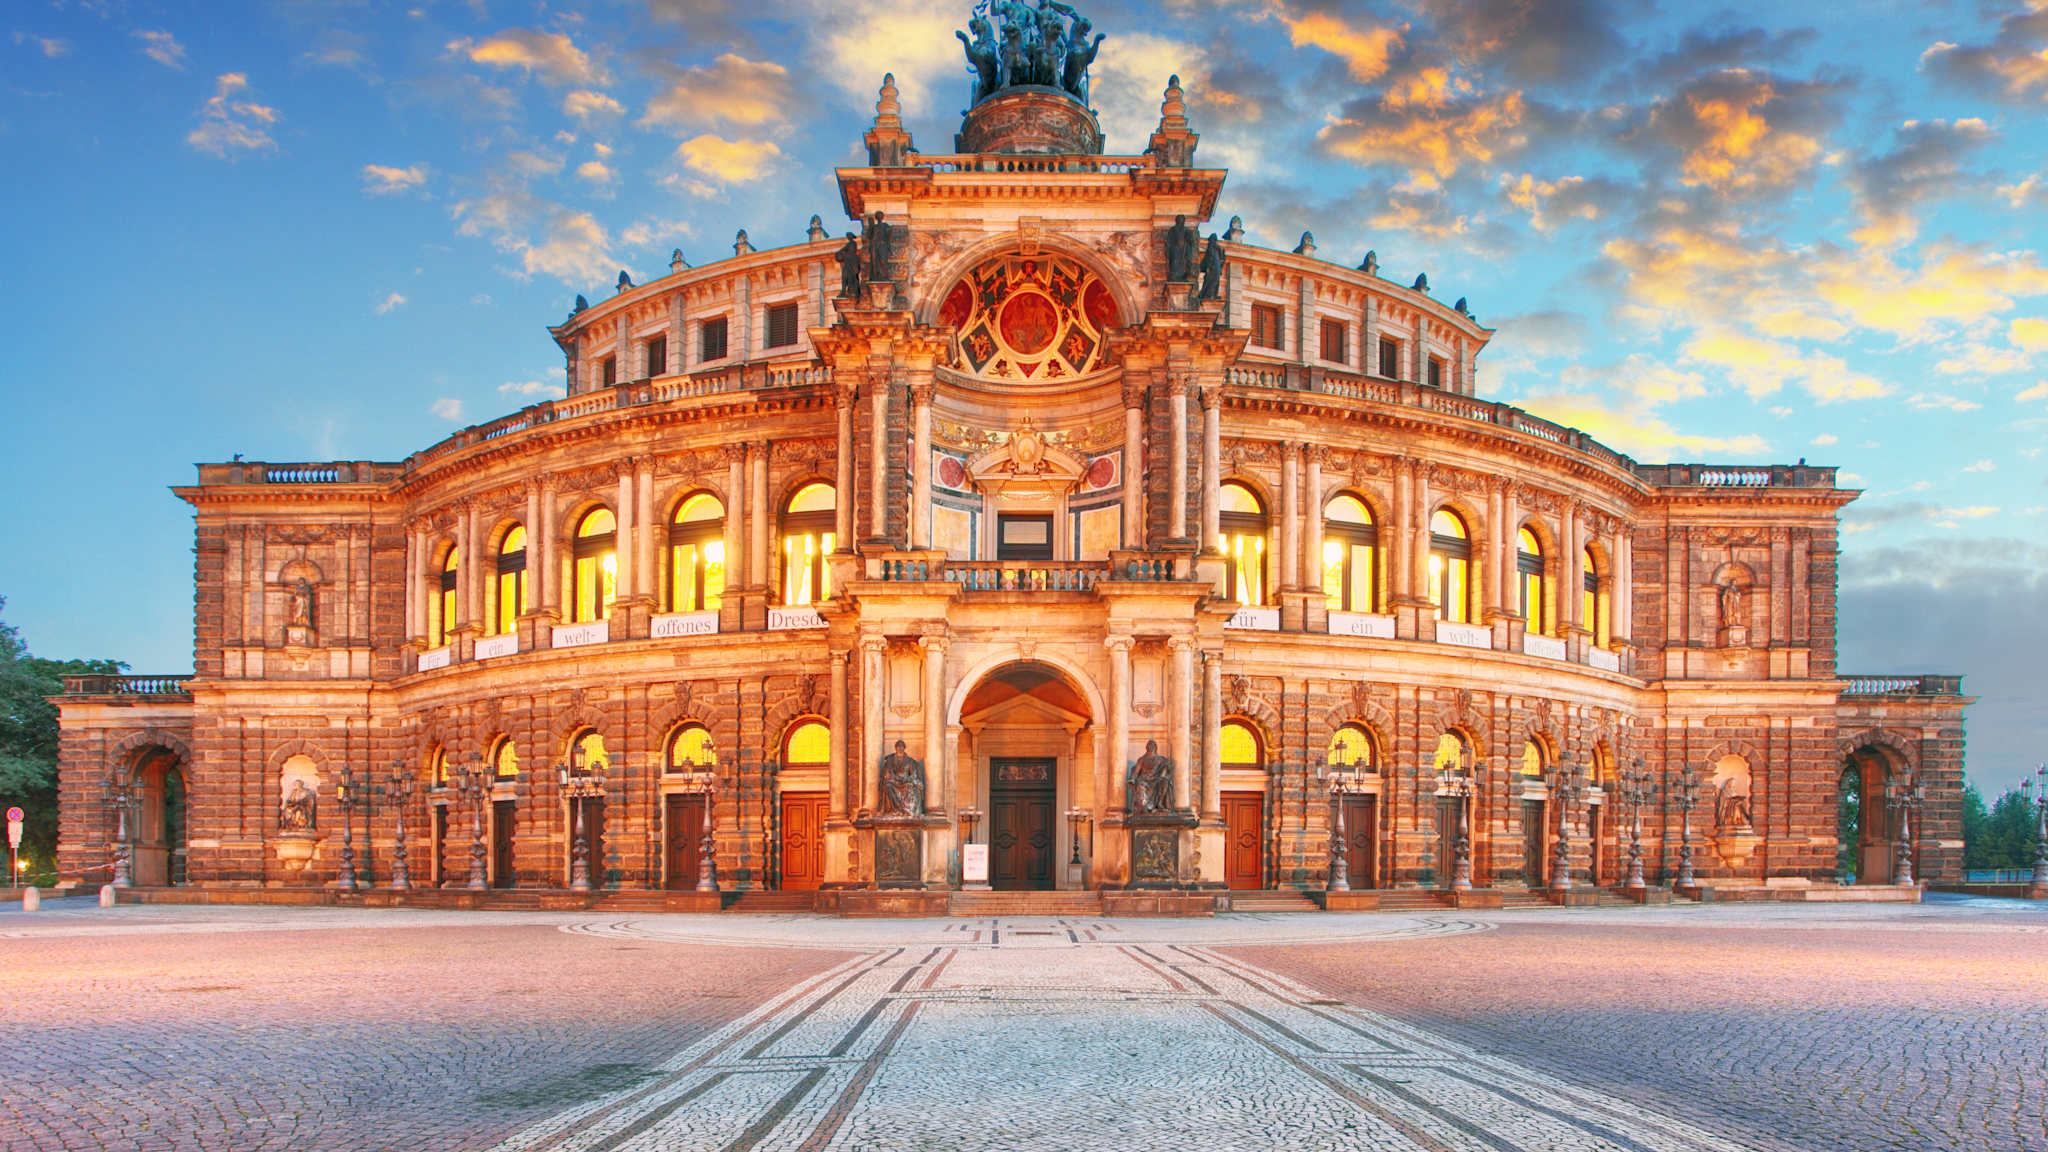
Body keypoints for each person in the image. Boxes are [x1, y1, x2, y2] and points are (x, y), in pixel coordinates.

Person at [880, 740, 924, 817]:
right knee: (888, 786)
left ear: (904, 748)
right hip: (894, 782)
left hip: (905, 781)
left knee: (910, 786)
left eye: (901, 746)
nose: (900, 748)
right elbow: (887, 773)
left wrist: (907, 779)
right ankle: (894, 810)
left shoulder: (910, 761)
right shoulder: (890, 760)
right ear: (895, 748)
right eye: (898, 746)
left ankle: (906, 810)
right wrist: (889, 776)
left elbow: (913, 774)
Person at [1128, 739, 1172, 813]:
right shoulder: (1142, 759)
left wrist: (1168, 766)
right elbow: (1136, 772)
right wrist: (1132, 779)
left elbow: (1168, 770)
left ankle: (1159, 803)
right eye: (1148, 745)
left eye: (1151, 745)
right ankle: (1144, 806)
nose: (1149, 747)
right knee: (1140, 783)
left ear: (1155, 747)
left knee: (1164, 782)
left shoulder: (1161, 759)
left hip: (1157, 779)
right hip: (1144, 779)